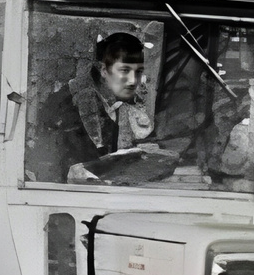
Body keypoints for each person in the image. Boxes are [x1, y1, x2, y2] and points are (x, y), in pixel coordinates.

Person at [29, 32, 159, 183]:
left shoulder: (126, 103)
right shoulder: (65, 106)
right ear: (104, 71)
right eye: (124, 71)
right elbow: (48, 172)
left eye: (138, 72)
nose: (133, 80)